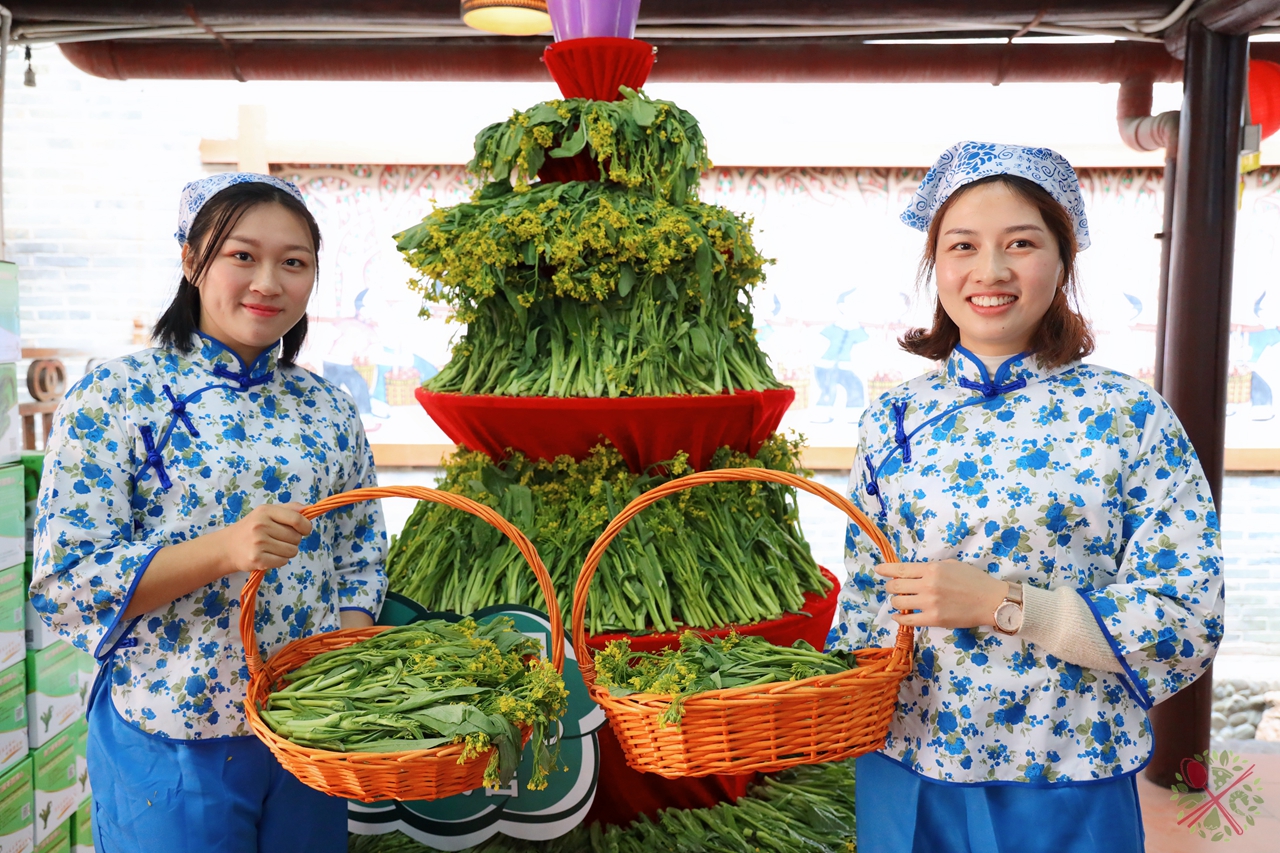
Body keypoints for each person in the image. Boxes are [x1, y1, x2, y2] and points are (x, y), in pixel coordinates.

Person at [827, 142, 1224, 853]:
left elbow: (1186, 615)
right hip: (907, 766)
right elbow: (864, 603)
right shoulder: (891, 418)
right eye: (963, 246)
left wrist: (1006, 604)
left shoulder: (1130, 415)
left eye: (1021, 243)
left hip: (1068, 771)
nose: (991, 271)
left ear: (1063, 261)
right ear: (936, 266)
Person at [30, 173, 388, 853]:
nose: (268, 282)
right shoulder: (116, 393)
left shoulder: (328, 406)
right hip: (171, 731)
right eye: (242, 255)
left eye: (294, 262)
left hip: (304, 735)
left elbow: (359, 551)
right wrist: (225, 550)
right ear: (192, 259)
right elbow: (66, 582)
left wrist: (341, 665)